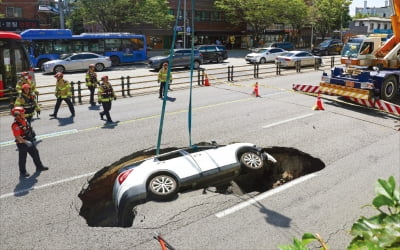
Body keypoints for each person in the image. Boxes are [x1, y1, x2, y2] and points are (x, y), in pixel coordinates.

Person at [11, 107, 48, 178]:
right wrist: (26, 142)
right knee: (22, 158)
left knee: (35, 153)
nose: (24, 114)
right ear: (17, 115)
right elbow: (18, 136)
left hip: (29, 140)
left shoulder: (24, 120)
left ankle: (39, 167)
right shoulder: (15, 125)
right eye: (22, 113)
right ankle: (23, 172)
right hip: (22, 143)